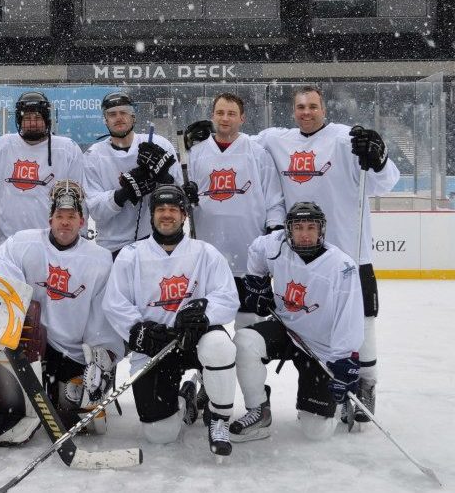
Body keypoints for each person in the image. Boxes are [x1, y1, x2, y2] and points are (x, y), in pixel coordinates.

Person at [255, 84, 399, 423]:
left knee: (363, 321)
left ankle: (366, 383)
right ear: (293, 111)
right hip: (303, 255)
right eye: (301, 106)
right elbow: (237, 143)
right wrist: (201, 141)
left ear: (324, 109)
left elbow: (385, 182)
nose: (306, 112)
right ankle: (324, 376)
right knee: (312, 315)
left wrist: (379, 156)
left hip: (351, 251)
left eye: (313, 106)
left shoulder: (347, 138)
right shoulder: (277, 140)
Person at [103, 185, 239, 459]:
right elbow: (114, 303)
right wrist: (138, 331)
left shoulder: (205, 252)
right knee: (160, 435)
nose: (167, 215)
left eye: (173, 210)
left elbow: (228, 297)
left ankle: (219, 417)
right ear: (152, 215)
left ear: (184, 215)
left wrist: (204, 315)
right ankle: (186, 397)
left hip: (194, 342)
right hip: (156, 347)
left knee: (219, 345)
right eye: (161, 210)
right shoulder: (131, 255)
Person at [0, 180, 124, 436]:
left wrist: (101, 357)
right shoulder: (23, 243)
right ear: (50, 219)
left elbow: (104, 315)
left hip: (74, 351)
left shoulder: (99, 260)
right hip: (31, 343)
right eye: (60, 216)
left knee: (73, 419)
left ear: (82, 222)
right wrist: (14, 301)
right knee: (12, 409)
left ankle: (78, 389)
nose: (65, 223)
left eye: (72, 217)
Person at [231, 202, 363, 442]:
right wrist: (256, 279)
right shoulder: (276, 245)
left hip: (321, 348)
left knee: (316, 433)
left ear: (321, 230)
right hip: (286, 329)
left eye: (311, 227)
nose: (304, 234)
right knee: (244, 340)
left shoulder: (342, 267)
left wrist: (344, 361)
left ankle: (338, 404)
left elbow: (350, 318)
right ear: (288, 230)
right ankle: (258, 410)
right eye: (298, 227)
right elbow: (256, 250)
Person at [182, 93, 286, 329]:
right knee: (207, 331)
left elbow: (274, 200)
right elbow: (182, 199)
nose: (225, 118)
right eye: (220, 113)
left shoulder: (257, 152)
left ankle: (247, 367)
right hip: (209, 256)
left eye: (231, 113)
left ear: (242, 118)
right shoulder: (196, 153)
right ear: (212, 116)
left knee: (249, 331)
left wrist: (274, 232)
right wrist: (183, 195)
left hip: (248, 256)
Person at [0, 91, 85, 274]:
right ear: (18, 120)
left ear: (47, 119)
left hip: (51, 246)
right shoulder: (3, 146)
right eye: (27, 117)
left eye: (38, 117)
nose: (32, 122)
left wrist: (79, 236)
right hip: (8, 244)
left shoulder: (67, 150)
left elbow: (79, 200)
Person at [84, 91, 182, 258]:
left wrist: (164, 179)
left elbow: (180, 195)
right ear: (105, 120)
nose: (118, 117)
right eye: (112, 114)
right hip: (112, 246)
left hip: (155, 242)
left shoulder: (158, 144)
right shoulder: (93, 155)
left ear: (133, 116)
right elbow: (96, 211)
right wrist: (124, 193)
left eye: (124, 112)